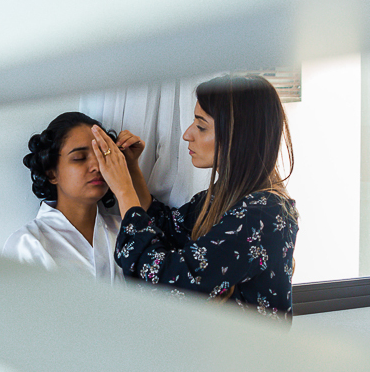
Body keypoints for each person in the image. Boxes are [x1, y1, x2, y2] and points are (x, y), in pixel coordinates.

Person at [91, 75, 298, 319]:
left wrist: (123, 189)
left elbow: (167, 281)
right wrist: (133, 169)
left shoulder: (263, 214)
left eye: (201, 126)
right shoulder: (226, 196)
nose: (187, 134)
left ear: (237, 135)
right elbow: (167, 225)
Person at [3, 112, 145, 283]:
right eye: (79, 158)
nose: (96, 166)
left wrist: (131, 168)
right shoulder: (28, 243)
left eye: (102, 156)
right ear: (51, 172)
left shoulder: (126, 230)